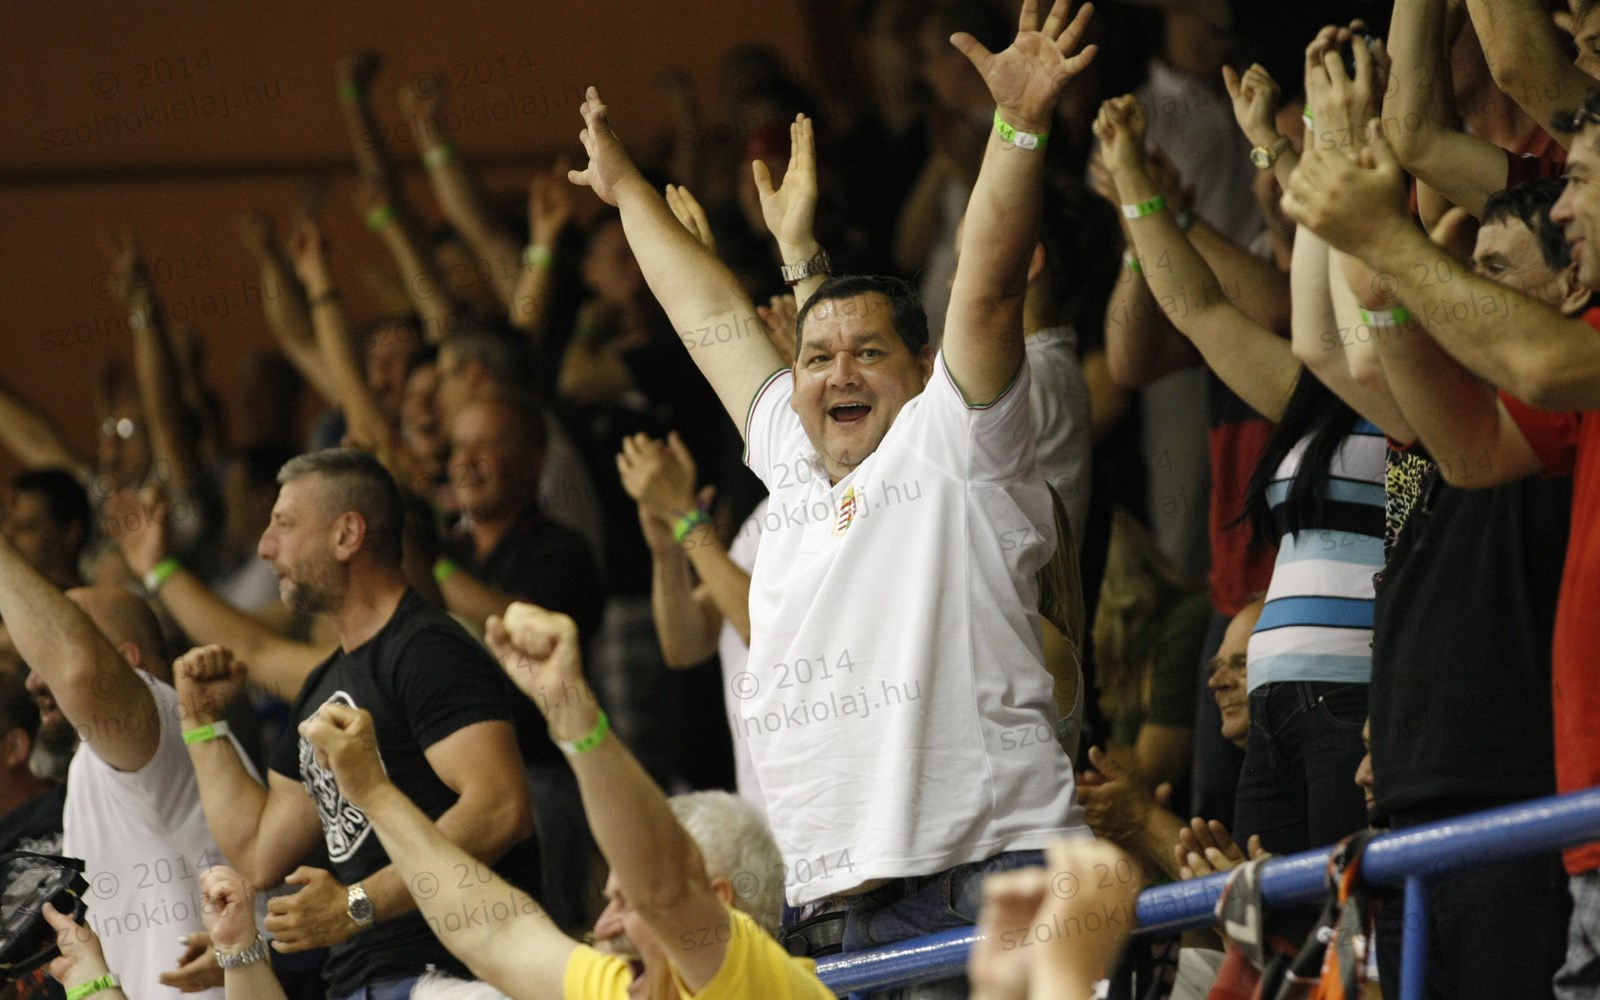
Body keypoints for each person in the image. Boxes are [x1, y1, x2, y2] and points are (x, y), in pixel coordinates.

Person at [563, 3, 1099, 990]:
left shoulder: (956, 442)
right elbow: (706, 316)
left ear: (924, 370)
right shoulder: (790, 462)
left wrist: (1017, 129)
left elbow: (986, 286)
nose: (836, 372)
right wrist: (627, 188)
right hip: (830, 916)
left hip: (989, 886)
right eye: (815, 356)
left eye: (867, 353)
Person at [1284, 129, 1593, 995]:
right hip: (1420, 816)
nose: (1464, 289)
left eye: (1494, 272)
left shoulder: (1564, 380)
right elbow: (1356, 347)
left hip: (1523, 808)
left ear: (1574, 286)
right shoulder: (1461, 430)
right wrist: (1377, 274)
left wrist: (1388, 241)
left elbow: (1516, 362)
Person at [298, 602, 834, 1000]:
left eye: (627, 903)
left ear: (720, 904)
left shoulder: (765, 989)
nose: (602, 926)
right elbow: (492, 930)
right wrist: (374, 794)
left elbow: (666, 885)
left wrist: (576, 718)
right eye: (612, 902)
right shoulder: (624, 990)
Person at [170, 449, 539, 1000]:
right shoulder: (323, 684)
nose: (266, 547)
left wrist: (355, 905)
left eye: (284, 525)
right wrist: (202, 726)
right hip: (361, 983)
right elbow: (258, 852)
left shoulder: (427, 649)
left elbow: (501, 810)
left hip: (452, 975)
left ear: (346, 535)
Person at [0, 533, 249, 1000]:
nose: (33, 681)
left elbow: (77, 668)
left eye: (45, 652)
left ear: (128, 664)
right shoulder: (92, 768)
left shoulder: (164, 718)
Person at [3, 471, 90, 592]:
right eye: (4, 525)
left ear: (71, 533)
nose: (8, 538)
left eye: (25, 527)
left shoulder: (86, 600)